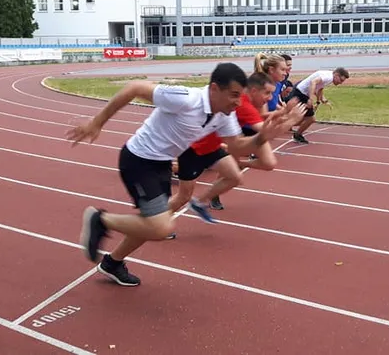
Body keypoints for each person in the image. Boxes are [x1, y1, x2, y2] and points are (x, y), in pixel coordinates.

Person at [67, 63, 305, 287]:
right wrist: (97, 123)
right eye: (233, 95)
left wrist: (266, 136)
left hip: (160, 164)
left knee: (149, 223)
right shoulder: (185, 99)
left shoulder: (224, 114)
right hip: (138, 159)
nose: (237, 102)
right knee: (160, 227)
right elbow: (134, 88)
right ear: (214, 89)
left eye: (239, 95)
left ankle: (112, 263)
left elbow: (237, 147)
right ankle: (100, 220)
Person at [168, 72, 290, 222]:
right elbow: (264, 133)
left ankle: (199, 202)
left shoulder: (245, 103)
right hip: (194, 150)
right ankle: (154, 222)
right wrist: (291, 120)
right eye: (267, 93)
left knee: (235, 177)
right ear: (253, 91)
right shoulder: (244, 105)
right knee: (183, 196)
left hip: (213, 147)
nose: (270, 98)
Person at [286, 67, 350, 143]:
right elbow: (313, 82)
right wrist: (310, 99)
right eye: (341, 80)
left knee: (306, 117)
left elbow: (320, 88)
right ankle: (295, 133)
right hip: (301, 93)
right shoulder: (328, 77)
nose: (341, 83)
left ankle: (293, 130)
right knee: (310, 119)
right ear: (336, 75)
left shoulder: (329, 76)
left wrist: (320, 100)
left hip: (301, 92)